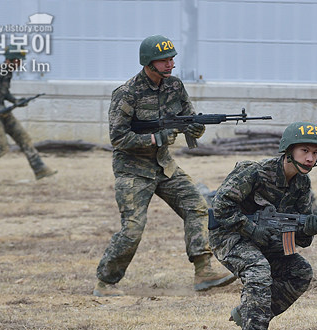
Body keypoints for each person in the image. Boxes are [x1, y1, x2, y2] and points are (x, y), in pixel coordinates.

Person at [93, 35, 235, 296]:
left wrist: (195, 128)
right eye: (164, 60)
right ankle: (105, 282)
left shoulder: (175, 87)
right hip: (133, 169)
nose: (171, 64)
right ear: (148, 63)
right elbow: (118, 138)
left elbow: (189, 118)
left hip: (164, 166)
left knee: (198, 207)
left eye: (172, 59)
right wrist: (155, 137)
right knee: (133, 228)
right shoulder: (126, 93)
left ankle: (204, 270)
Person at [208, 121, 317, 330]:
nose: (310, 158)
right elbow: (221, 206)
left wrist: (308, 230)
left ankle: (250, 314)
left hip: (267, 242)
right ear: (288, 150)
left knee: (300, 272)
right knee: (259, 270)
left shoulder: (302, 184)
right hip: (230, 236)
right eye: (304, 151)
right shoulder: (255, 172)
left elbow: (299, 236)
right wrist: (252, 230)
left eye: (314, 153)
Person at [0, 45, 56, 187]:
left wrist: (15, 101)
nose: (20, 64)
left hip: (2, 113)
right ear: (11, 60)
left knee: (23, 138)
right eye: (18, 61)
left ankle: (40, 169)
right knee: (0, 147)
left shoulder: (7, 72)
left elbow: (3, 92)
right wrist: (0, 108)